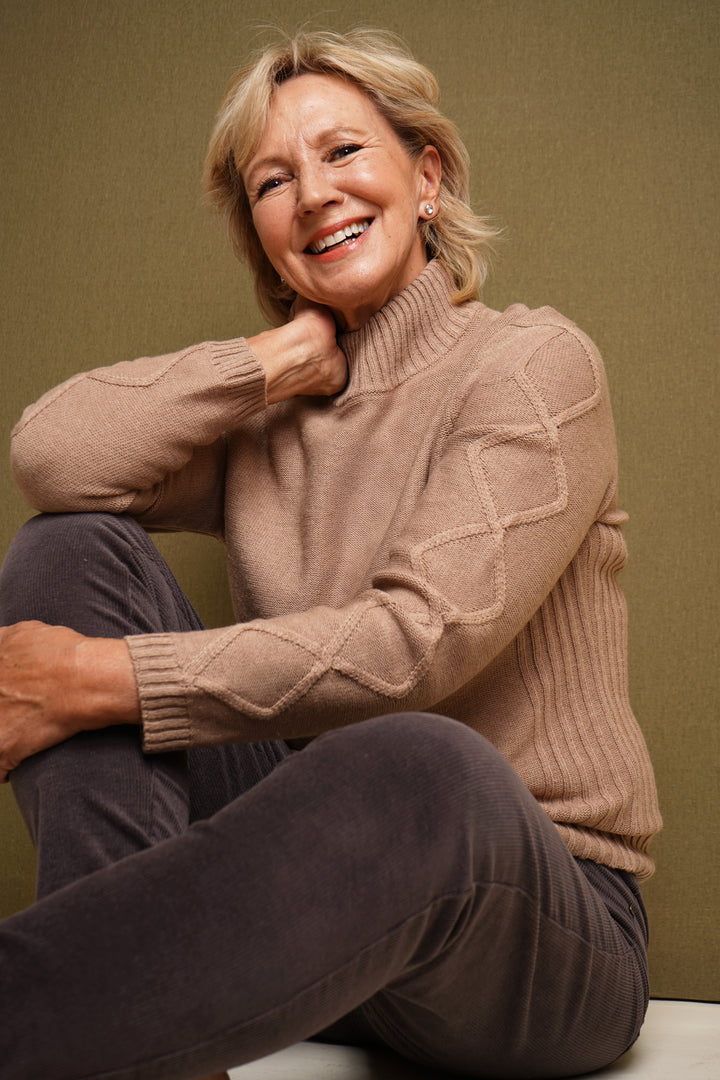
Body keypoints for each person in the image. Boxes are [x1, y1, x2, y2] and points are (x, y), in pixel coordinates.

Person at [0, 28, 661, 1080]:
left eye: (344, 152)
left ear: (427, 174)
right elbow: (52, 456)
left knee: (421, 758)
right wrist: (275, 360)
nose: (313, 193)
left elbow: (415, 648)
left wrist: (99, 680)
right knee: (69, 553)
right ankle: (135, 1051)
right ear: (259, 232)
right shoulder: (272, 423)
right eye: (273, 180)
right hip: (329, 925)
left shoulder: (535, 367)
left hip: (533, 932)